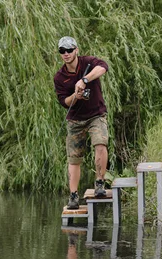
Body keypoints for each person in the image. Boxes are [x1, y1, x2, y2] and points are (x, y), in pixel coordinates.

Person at [54, 36, 110, 209]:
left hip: (96, 115)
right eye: (62, 51)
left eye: (69, 50)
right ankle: (73, 196)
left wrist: (85, 80)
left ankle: (99, 184)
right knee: (74, 158)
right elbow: (64, 102)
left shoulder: (88, 62)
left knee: (100, 143)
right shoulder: (59, 77)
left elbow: (104, 67)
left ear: (76, 50)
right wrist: (75, 97)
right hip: (75, 120)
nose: (66, 54)